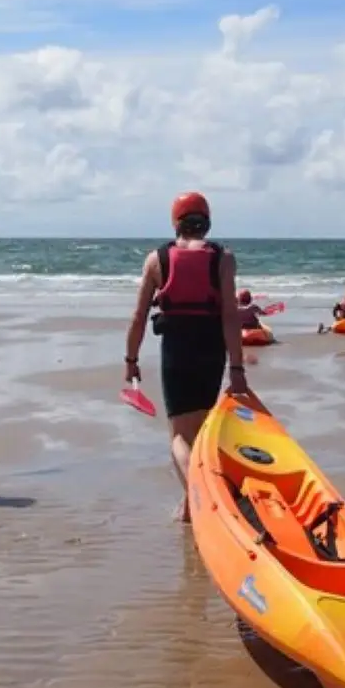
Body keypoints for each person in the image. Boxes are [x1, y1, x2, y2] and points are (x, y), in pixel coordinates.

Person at [124, 191, 249, 524]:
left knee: (180, 436)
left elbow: (138, 317)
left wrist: (131, 360)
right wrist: (237, 368)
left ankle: (202, 497)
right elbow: (230, 316)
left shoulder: (156, 260)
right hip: (211, 349)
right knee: (203, 429)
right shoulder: (223, 259)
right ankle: (189, 503)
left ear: (175, 222)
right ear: (207, 221)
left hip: (177, 348)